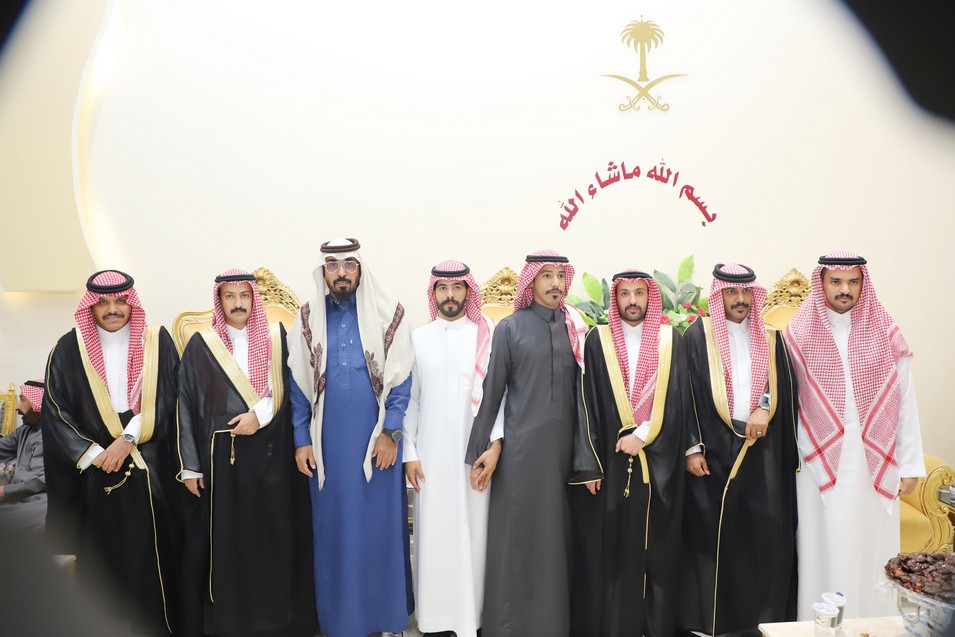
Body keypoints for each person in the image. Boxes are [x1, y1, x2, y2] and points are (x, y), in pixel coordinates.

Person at [785, 251, 925, 619]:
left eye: (853, 282)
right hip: (813, 461)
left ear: (863, 284)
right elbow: (785, 401)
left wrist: (910, 464)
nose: (844, 289)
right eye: (836, 281)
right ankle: (819, 623)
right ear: (822, 283)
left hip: (872, 459)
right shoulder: (799, 334)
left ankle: (873, 621)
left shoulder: (885, 332)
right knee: (820, 545)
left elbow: (905, 400)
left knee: (870, 543)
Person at [177, 269, 316, 637]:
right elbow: (185, 404)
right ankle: (233, 622)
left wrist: (260, 416)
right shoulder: (201, 344)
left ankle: (276, 623)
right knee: (230, 543)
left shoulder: (276, 337)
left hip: (272, 457)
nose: (237, 303)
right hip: (221, 461)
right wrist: (191, 466)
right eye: (230, 296)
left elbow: (292, 389)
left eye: (244, 296)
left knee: (272, 538)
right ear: (219, 300)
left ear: (254, 299)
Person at [43, 270, 181, 635]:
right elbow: (55, 410)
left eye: (120, 300)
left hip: (151, 464)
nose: (113, 309)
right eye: (103, 302)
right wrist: (94, 455)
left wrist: (127, 439)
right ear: (90, 306)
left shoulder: (156, 341)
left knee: (152, 557)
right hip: (93, 469)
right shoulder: (68, 348)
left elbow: (170, 398)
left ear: (131, 302)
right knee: (102, 562)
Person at [288, 238, 414, 637]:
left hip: (377, 443)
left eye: (348, 265)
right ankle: (341, 623)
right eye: (332, 265)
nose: (341, 273)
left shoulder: (388, 313)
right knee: (335, 532)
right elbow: (298, 385)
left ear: (360, 268)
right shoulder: (308, 317)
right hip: (327, 447)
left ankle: (386, 620)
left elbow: (402, 380)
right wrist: (301, 439)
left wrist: (391, 433)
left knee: (379, 531)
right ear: (323, 271)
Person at [465, 249, 588, 637]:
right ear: (531, 281)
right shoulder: (510, 328)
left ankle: (552, 625)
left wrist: (588, 459)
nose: (555, 283)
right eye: (546, 275)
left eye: (560, 275)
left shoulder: (575, 328)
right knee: (517, 540)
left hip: (564, 456)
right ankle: (509, 626)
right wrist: (484, 448)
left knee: (557, 541)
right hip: (520, 455)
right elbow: (493, 392)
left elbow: (586, 398)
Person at [680, 263, 799, 636]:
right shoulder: (697, 336)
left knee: (762, 535)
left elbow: (784, 387)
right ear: (719, 295)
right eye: (732, 292)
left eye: (746, 292)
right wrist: (691, 448)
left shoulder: (771, 337)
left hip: (761, 449)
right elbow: (683, 395)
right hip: (711, 450)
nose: (740, 299)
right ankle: (709, 624)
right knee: (711, 537)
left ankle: (758, 623)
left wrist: (764, 406)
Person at [569, 270, 689, 637]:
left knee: (655, 549)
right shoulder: (598, 340)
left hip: (658, 460)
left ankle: (653, 628)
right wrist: (589, 465)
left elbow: (679, 399)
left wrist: (644, 434)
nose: (632, 301)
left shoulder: (670, 340)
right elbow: (585, 402)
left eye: (639, 293)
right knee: (612, 549)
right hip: (609, 461)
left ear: (650, 297)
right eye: (625, 294)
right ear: (615, 298)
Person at [403, 260, 499, 637]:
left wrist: (495, 446)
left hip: (474, 455)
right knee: (435, 533)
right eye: (442, 288)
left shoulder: (485, 337)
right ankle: (435, 618)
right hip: (430, 456)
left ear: (467, 292)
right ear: (434, 293)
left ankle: (471, 618)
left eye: (457, 287)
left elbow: (500, 396)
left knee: (474, 532)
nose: (450, 295)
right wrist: (410, 453)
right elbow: (410, 401)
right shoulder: (418, 339)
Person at [0, 380, 48, 534]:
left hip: (40, 501)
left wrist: (7, 491)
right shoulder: (24, 430)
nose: (17, 407)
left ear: (38, 403)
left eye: (22, 399)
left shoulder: (58, 435)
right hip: (15, 498)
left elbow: (47, 480)